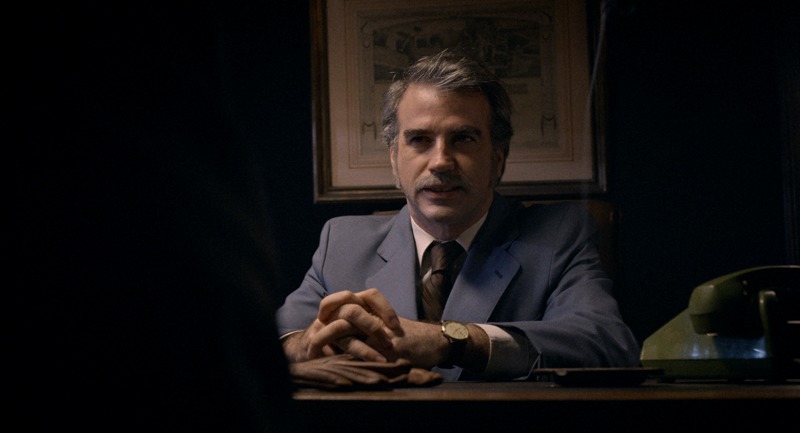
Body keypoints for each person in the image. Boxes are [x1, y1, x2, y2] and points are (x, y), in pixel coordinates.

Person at [276, 49, 640, 381]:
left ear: (497, 157)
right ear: (393, 158)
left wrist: (450, 341)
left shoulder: (560, 234)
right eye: (419, 139)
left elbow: (608, 346)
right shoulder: (341, 242)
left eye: (463, 138)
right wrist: (308, 344)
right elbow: (277, 340)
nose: (440, 162)